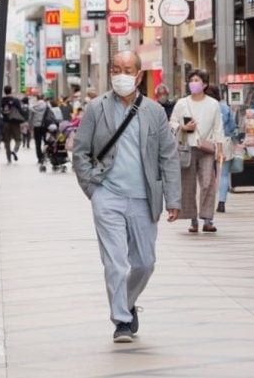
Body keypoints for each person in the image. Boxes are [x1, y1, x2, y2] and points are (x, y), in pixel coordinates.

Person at [72, 50, 181, 343]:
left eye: (128, 69)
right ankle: (121, 320)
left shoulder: (154, 111)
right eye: (116, 68)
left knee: (145, 262)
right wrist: (92, 191)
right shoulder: (96, 108)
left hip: (144, 198)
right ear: (110, 72)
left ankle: (127, 302)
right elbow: (80, 151)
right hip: (107, 194)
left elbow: (168, 156)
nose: (121, 74)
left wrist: (173, 199)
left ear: (139, 75)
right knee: (116, 263)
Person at [170, 69, 225, 233]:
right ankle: (193, 219)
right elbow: (171, 123)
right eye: (191, 80)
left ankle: (208, 219)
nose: (193, 83)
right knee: (188, 185)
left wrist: (220, 148)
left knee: (208, 183)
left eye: (197, 80)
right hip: (187, 148)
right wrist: (183, 127)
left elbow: (218, 128)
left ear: (205, 84)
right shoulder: (182, 103)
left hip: (207, 148)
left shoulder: (213, 104)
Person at [208, 85, 239, 213]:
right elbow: (232, 126)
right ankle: (221, 202)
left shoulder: (206, 107)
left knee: (207, 174)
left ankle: (207, 202)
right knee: (224, 174)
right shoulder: (225, 108)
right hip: (225, 141)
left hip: (207, 142)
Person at [0, 86, 25, 163]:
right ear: (11, 91)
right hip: (15, 123)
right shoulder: (16, 100)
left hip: (5, 123)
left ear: (4, 91)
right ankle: (14, 150)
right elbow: (20, 111)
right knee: (18, 139)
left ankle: (9, 159)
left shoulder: (1, 100)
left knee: (7, 141)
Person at [29, 93, 51, 166]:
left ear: (37, 99)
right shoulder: (47, 106)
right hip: (44, 126)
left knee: (37, 143)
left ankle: (39, 158)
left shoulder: (33, 107)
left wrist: (30, 126)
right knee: (46, 141)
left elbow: (30, 118)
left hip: (36, 126)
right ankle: (45, 155)